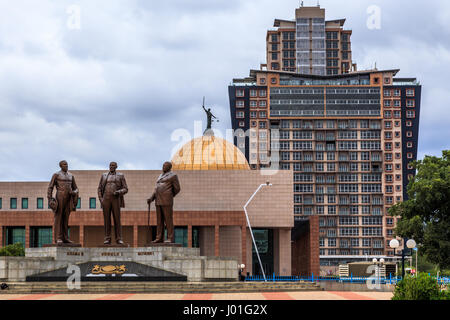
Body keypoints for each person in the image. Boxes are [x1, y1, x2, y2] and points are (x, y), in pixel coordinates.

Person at [147, 162, 180, 243]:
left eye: (165, 166)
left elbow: (177, 188)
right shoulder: (160, 176)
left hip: (167, 201)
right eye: (163, 166)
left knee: (168, 220)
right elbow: (156, 189)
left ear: (169, 167)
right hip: (158, 201)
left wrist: (169, 195)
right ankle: (159, 238)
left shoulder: (173, 176)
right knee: (159, 220)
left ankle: (170, 238)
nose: (163, 167)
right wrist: (151, 198)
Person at [47, 160, 79, 244]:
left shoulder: (71, 176)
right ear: (60, 166)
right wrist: (50, 199)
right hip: (60, 197)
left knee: (65, 218)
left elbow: (76, 188)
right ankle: (58, 238)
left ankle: (65, 238)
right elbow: (50, 187)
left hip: (68, 199)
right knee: (58, 218)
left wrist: (74, 192)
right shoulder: (56, 175)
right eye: (64, 164)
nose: (66, 166)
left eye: (67, 164)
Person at [98, 162, 128, 245]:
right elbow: (99, 188)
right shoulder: (104, 175)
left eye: (113, 166)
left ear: (116, 167)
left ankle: (119, 239)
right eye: (110, 165)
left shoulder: (120, 175)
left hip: (116, 199)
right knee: (107, 220)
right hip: (106, 199)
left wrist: (119, 192)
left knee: (117, 219)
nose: (111, 167)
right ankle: (107, 238)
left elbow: (126, 189)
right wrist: (101, 199)